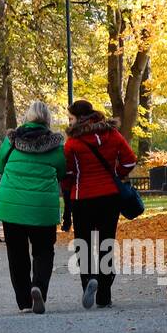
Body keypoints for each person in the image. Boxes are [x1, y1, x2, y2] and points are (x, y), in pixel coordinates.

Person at [0, 101, 67, 314]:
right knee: (44, 251)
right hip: (42, 207)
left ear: (27, 118)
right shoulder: (56, 145)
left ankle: (24, 302)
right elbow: (62, 171)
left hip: (12, 206)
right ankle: (39, 288)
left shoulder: (12, 140)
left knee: (17, 254)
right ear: (47, 120)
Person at [62, 99, 137, 310]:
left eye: (71, 118)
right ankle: (104, 295)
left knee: (83, 244)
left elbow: (67, 174)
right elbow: (130, 160)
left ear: (79, 118)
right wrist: (117, 175)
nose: (69, 121)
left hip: (82, 197)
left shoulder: (73, 143)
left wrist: (67, 187)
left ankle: (88, 281)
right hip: (109, 197)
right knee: (106, 244)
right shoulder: (112, 134)